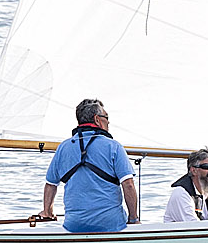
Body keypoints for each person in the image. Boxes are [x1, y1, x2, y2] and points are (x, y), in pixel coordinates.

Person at [40, 98, 139, 232]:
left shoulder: (63, 147)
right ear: (97, 119)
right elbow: (128, 185)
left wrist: (47, 212)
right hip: (111, 225)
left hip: (74, 225)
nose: (108, 122)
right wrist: (133, 219)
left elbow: (51, 184)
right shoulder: (114, 146)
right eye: (106, 117)